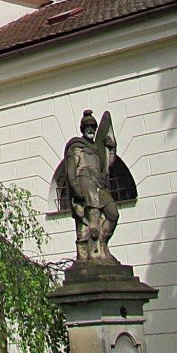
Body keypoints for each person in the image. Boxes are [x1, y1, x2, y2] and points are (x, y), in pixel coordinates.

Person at [63, 109, 119, 261]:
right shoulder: (76, 146)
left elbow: (108, 164)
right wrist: (76, 190)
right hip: (86, 184)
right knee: (93, 222)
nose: (91, 129)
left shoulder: (97, 148)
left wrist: (111, 149)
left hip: (99, 185)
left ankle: (103, 244)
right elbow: (71, 170)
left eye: (93, 127)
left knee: (113, 214)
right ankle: (94, 255)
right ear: (82, 129)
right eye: (87, 127)